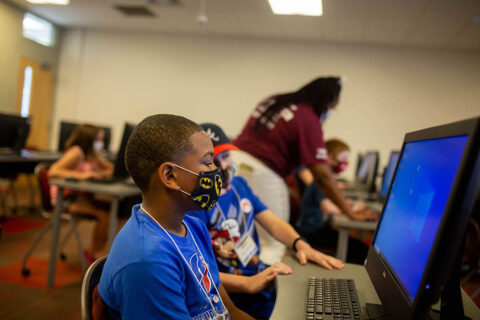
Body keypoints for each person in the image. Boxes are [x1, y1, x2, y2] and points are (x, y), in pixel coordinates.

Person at [98, 114, 253, 319]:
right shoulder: (147, 261)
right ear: (170, 175)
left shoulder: (193, 226)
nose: (217, 171)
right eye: (208, 163)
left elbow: (229, 312)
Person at [189, 123, 344, 319]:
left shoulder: (240, 185)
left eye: (226, 156)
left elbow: (272, 222)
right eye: (213, 160)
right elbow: (201, 274)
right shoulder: (195, 206)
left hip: (259, 274)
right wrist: (248, 283)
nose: (224, 166)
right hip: (232, 292)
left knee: (308, 302)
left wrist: (299, 244)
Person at [232, 77, 377, 263]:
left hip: (235, 162)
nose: (331, 112)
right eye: (332, 107)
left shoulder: (276, 101)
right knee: (274, 241)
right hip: (263, 173)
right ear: (326, 101)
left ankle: (245, 279)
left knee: (242, 233)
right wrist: (351, 212)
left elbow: (303, 164)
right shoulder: (307, 116)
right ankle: (264, 288)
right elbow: (322, 174)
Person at [296, 138, 370, 264]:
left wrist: (347, 204)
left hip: (312, 228)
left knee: (357, 246)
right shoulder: (322, 179)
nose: (345, 163)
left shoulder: (324, 178)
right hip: (311, 233)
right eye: (343, 159)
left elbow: (330, 202)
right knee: (362, 250)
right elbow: (327, 208)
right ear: (329, 158)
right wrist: (354, 209)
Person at [48, 124, 112, 261]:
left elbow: (111, 169)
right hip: (65, 199)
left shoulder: (93, 155)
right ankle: (95, 253)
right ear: (88, 140)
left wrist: (98, 173)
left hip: (81, 197)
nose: (100, 144)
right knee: (104, 215)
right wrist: (81, 175)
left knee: (110, 211)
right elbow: (53, 171)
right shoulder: (76, 152)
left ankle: (96, 250)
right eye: (98, 140)